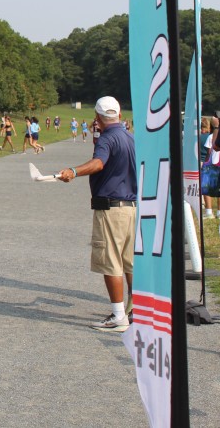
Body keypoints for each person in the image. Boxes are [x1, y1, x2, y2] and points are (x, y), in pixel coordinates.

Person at [57, 96, 137, 332]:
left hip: (111, 208)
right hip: (131, 207)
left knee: (111, 262)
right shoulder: (130, 137)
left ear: (98, 118)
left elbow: (99, 163)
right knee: (130, 262)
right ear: (119, 115)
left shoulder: (106, 138)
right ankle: (138, 309)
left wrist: (74, 171)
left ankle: (118, 315)